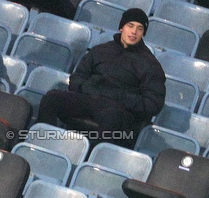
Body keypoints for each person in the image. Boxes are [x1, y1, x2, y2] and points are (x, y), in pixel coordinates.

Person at [37, 8, 166, 146]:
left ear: (143, 33)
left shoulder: (150, 64)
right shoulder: (100, 50)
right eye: (130, 26)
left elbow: (153, 104)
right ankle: (42, 145)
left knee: (111, 117)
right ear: (122, 27)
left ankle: (92, 161)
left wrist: (121, 97)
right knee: (51, 99)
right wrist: (88, 88)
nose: (134, 32)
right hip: (89, 98)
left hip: (119, 110)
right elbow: (77, 77)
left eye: (139, 28)